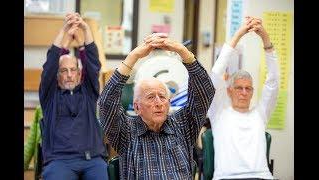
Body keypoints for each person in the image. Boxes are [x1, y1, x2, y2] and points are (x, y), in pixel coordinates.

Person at [98, 33, 215, 179]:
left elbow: (205, 92)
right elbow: (106, 104)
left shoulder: (183, 125)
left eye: (162, 97)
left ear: (169, 102)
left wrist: (181, 50)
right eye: (151, 97)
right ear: (137, 107)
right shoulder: (126, 132)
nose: (159, 103)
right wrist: (134, 56)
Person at [207, 16, 279, 180]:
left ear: (252, 92)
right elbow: (215, 76)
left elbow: (273, 82)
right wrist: (238, 34)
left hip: (261, 176)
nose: (244, 92)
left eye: (248, 89)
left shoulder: (260, 113)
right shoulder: (218, 112)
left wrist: (265, 38)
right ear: (230, 91)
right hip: (226, 177)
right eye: (239, 88)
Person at [39, 12, 108, 180]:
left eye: (73, 70)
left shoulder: (89, 91)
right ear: (57, 76)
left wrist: (85, 29)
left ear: (79, 74)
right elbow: (50, 63)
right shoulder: (50, 96)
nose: (69, 74)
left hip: (92, 160)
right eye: (64, 71)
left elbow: (93, 64)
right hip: (59, 162)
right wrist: (64, 31)